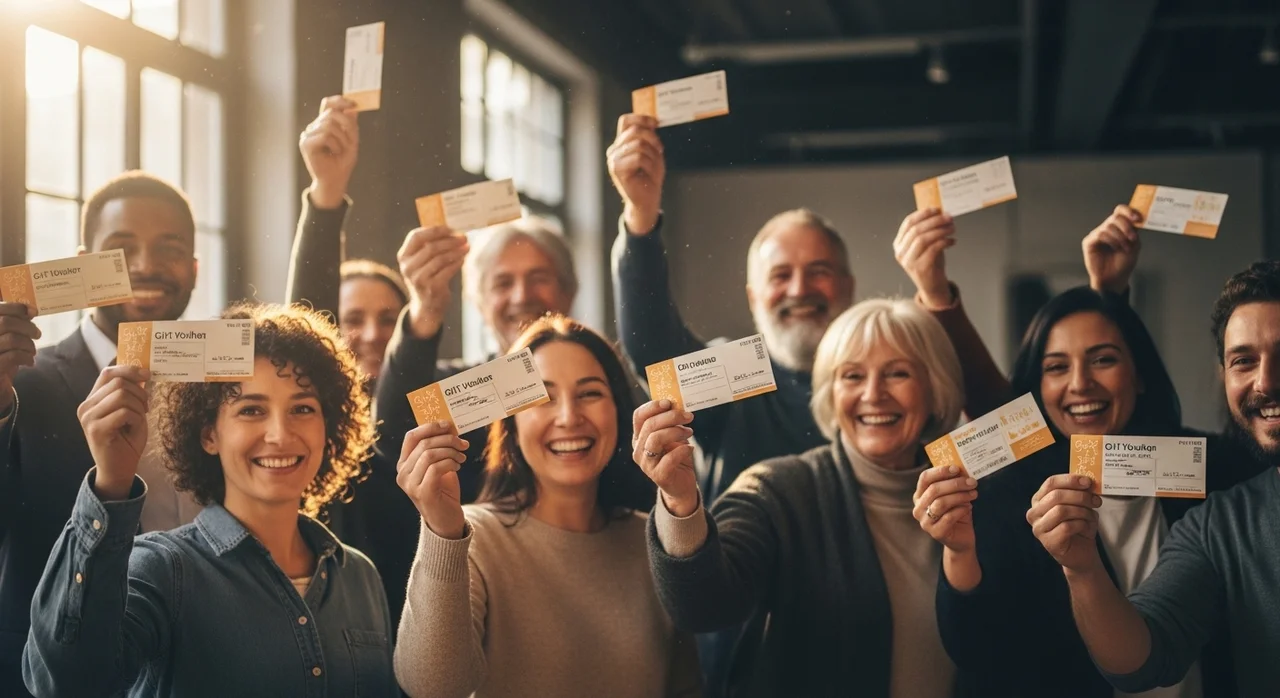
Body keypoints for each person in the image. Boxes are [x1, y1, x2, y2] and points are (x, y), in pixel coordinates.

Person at [904, 208, 1264, 696]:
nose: (1079, 384)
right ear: (1036, 389)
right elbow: (974, 649)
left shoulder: (1206, 467)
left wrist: (1110, 295)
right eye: (1056, 367)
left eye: (1103, 360)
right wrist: (958, 551)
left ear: (1139, 374)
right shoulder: (1008, 492)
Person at [21, 302, 394, 697]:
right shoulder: (162, 570)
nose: (280, 435)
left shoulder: (359, 575)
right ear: (209, 435)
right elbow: (65, 682)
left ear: (328, 427)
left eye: (302, 408)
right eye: (251, 410)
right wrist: (111, 482)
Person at [639, 298, 966, 697]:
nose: (873, 394)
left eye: (898, 373)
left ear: (936, 388)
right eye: (852, 376)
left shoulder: (976, 492)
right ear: (829, 393)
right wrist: (678, 501)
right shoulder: (779, 489)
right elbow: (704, 607)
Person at [392, 315, 698, 698]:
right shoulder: (471, 538)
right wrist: (441, 531)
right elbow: (431, 686)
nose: (569, 417)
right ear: (511, 425)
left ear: (619, 411)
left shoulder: (653, 542)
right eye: (545, 398)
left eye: (590, 393)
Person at [1026, 260, 1280, 697]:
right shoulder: (1218, 524)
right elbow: (1143, 658)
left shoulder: (1215, 468)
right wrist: (1082, 568)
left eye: (1103, 360)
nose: (1266, 382)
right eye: (1243, 361)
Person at [0, 171, 202, 697]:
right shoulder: (21, 383)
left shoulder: (220, 389)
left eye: (170, 248)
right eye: (122, 248)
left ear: (195, 268)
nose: (146, 265)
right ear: (85, 263)